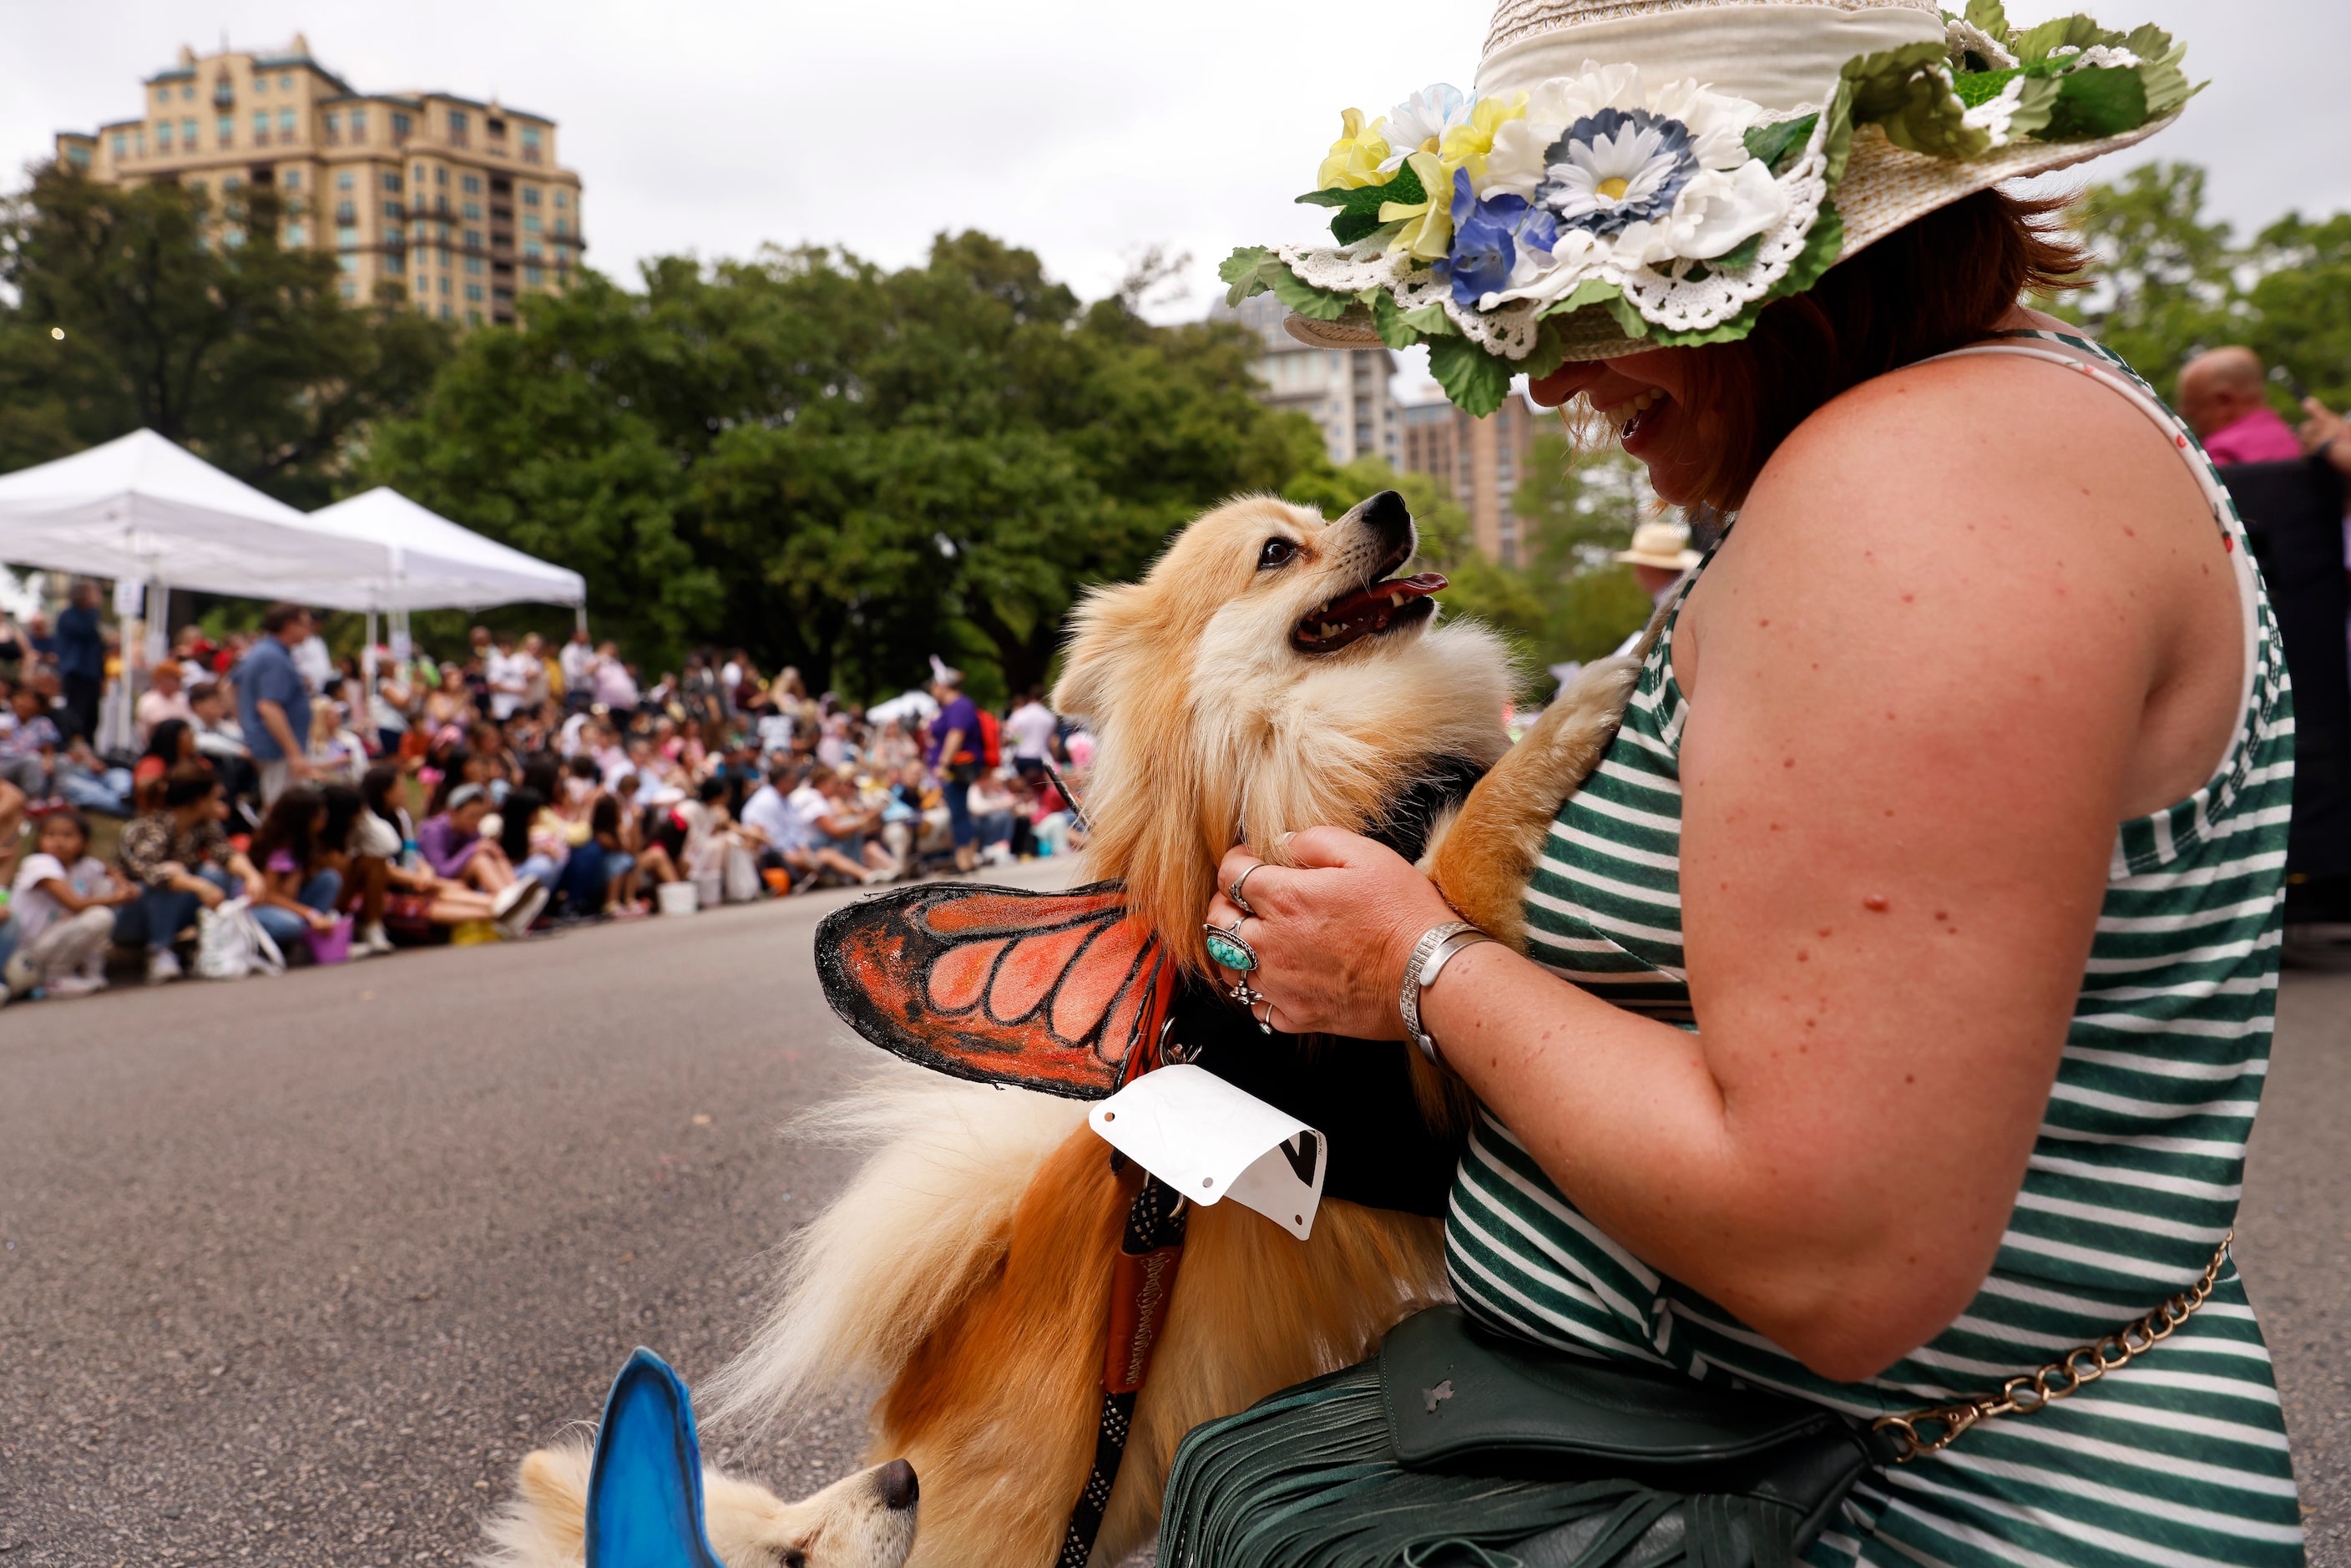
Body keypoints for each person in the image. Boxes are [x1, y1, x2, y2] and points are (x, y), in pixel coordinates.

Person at [1172, 5, 2300, 1564]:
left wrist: (1414, 965)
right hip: (1757, 1471)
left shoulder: (1915, 492)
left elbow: (1831, 1246)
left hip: (1915, 1509)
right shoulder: (1950, 438)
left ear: (1784, 255)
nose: (1551, 383)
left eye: (1586, 295)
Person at [114, 762, 243, 984]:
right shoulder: (149, 828)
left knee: (215, 874)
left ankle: (211, 944)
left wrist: (252, 876)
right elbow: (149, 874)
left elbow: (225, 853)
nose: (220, 804)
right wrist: (196, 885)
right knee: (172, 874)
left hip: (173, 911)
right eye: (215, 797)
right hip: (131, 915)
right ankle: (159, 950)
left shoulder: (203, 826)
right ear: (199, 800)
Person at [5, 810, 135, 999]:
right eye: (50, 835)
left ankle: (90, 969)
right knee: (100, 916)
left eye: (68, 835)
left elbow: (108, 870)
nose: (58, 841)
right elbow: (74, 904)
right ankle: (55, 978)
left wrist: (123, 885)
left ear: (85, 843)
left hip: (54, 940)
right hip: (28, 951)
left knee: (104, 885)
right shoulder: (39, 864)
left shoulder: (82, 865)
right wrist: (119, 898)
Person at [245, 787, 345, 953]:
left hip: (288, 901)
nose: (323, 821)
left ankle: (311, 937)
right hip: (260, 908)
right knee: (291, 925)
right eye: (318, 816)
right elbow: (268, 895)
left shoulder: (302, 844)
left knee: (329, 879)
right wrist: (310, 914)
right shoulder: (278, 848)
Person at [235, 603, 316, 805]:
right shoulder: (273, 657)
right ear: (290, 625)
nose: (309, 630)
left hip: (270, 744)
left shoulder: (262, 651)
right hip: (278, 749)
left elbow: (229, 687)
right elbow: (269, 706)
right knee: (285, 808)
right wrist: (294, 753)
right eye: (305, 624)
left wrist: (247, 723)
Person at [2177, 346, 2307, 464]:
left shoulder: (2222, 453)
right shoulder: (2296, 442)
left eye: (2193, 411)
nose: (2191, 424)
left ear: (2224, 402)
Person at [1608, 518, 1702, 655]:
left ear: (1649, 567)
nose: (1636, 573)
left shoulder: (1674, 603)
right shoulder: (1680, 595)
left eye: (1638, 565)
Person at [926, 668, 981, 874]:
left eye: (933, 686)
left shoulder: (959, 705)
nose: (932, 691)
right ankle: (968, 857)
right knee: (960, 811)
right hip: (956, 766)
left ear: (942, 685)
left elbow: (956, 735)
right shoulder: (954, 706)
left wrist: (942, 764)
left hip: (956, 767)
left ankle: (964, 860)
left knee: (958, 812)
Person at [53, 580, 105, 744]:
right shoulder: (70, 616)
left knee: (92, 718)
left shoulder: (90, 615)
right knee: (77, 717)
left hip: (92, 674)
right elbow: (87, 631)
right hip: (77, 674)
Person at [0, 682, 58, 804]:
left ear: (39, 706)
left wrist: (48, 760)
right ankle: (33, 800)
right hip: (4, 765)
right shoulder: (3, 720)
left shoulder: (43, 723)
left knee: (62, 761)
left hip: (31, 765)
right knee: (32, 759)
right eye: (19, 698)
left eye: (28, 700)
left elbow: (48, 749)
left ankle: (56, 799)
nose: (22, 703)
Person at [1004, 688, 1058, 782]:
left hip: (1021, 758)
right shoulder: (1050, 717)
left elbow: (1008, 738)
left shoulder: (1019, 714)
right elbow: (1051, 741)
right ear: (1044, 699)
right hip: (1040, 758)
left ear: (1029, 697)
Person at [134, 659, 195, 741]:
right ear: (163, 679)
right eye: (176, 679)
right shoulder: (148, 701)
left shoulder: (181, 698)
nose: (180, 682)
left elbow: (188, 723)